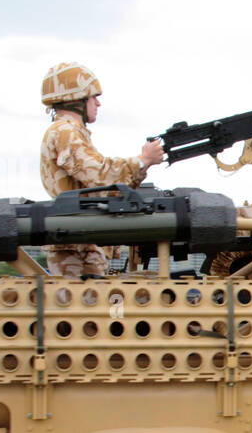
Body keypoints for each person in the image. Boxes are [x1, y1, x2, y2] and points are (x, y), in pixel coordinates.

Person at [39, 62, 166, 277]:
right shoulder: (66, 131)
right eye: (93, 97)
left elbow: (104, 187)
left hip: (81, 241)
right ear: (76, 99)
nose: (98, 103)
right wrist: (143, 160)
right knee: (85, 308)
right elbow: (100, 176)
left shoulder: (69, 131)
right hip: (75, 247)